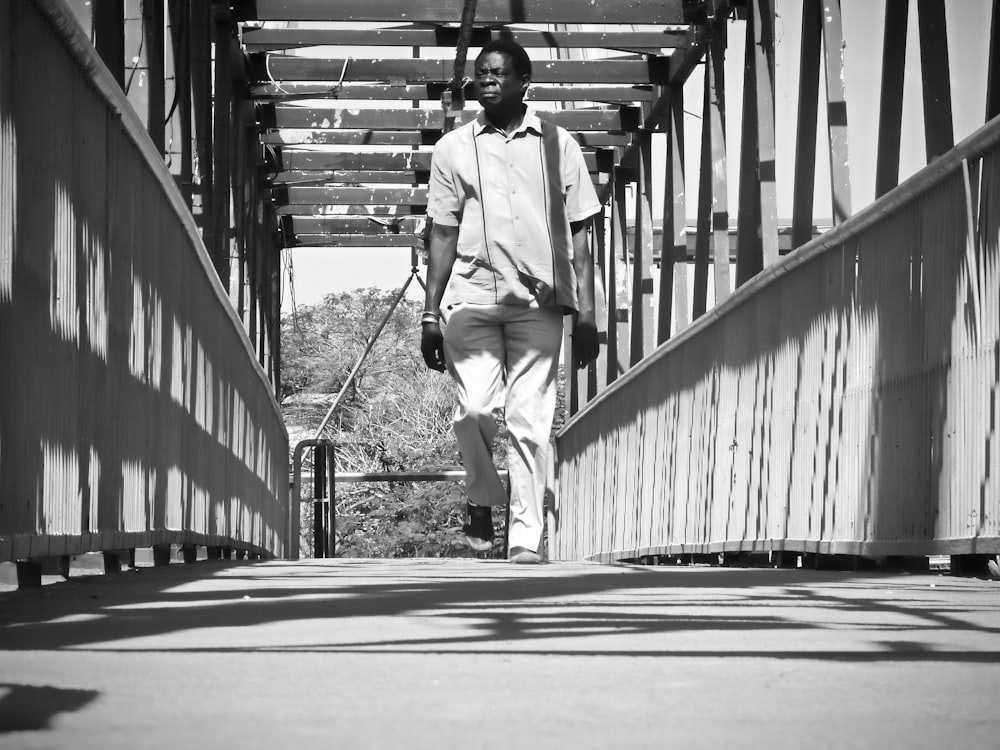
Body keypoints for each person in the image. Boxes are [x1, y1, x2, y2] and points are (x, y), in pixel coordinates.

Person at [420, 39, 602, 563]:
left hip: (538, 303)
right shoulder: (452, 148)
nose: (487, 79)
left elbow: (582, 236)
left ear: (525, 81)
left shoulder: (558, 144)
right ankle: (482, 497)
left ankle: (524, 537)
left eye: (498, 73)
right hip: (472, 297)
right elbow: (442, 234)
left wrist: (586, 315)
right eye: (481, 73)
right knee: (474, 407)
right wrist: (430, 313)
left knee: (529, 420)